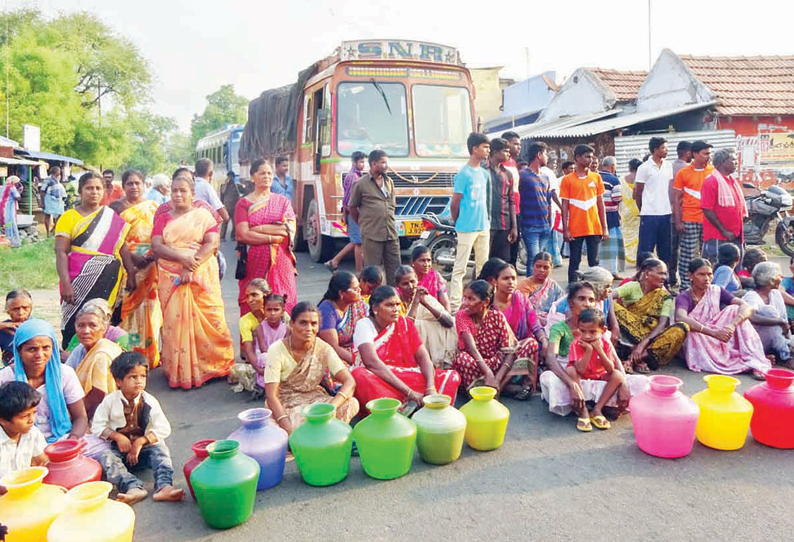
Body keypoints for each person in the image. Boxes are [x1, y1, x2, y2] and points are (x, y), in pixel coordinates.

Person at [151, 171, 235, 389]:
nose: (178, 195)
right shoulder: (163, 217)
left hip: (201, 274)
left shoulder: (204, 215)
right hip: (171, 276)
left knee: (212, 317)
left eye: (183, 191)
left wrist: (192, 264)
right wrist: (182, 258)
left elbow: (212, 243)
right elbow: (157, 246)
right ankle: (179, 370)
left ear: (192, 193)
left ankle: (215, 365)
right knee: (174, 322)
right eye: (174, 191)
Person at [55, 172, 132, 349]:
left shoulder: (111, 216)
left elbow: (123, 247)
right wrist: (66, 284)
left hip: (108, 280)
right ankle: (73, 361)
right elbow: (60, 252)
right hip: (77, 280)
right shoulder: (69, 217)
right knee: (75, 321)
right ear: (80, 191)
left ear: (104, 191)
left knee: (102, 320)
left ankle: (102, 360)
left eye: (98, 188)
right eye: (89, 188)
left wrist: (132, 273)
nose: (94, 192)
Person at [94, 352, 184, 505]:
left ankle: (164, 486)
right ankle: (132, 487)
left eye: (142, 376)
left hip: (144, 451)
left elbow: (164, 427)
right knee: (106, 457)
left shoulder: (149, 401)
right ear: (119, 381)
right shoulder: (109, 401)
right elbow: (97, 425)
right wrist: (117, 436)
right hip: (121, 451)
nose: (139, 381)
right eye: (132, 377)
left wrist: (141, 441)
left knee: (161, 448)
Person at [352, 286, 461, 409]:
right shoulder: (364, 325)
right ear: (375, 308)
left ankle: (416, 404)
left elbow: (423, 357)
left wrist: (431, 388)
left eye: (398, 304)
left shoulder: (405, 324)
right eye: (389, 305)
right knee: (359, 375)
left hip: (403, 375)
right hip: (378, 378)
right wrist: (409, 392)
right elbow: (372, 363)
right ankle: (397, 408)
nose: (396, 309)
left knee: (451, 377)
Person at [265, 302, 359, 432]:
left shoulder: (323, 348)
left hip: (315, 400)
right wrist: (286, 426)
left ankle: (320, 433)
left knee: (351, 404)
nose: (309, 328)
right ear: (292, 324)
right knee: (288, 426)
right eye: (303, 323)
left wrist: (331, 407)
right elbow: (271, 395)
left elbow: (349, 381)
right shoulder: (276, 350)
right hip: (286, 403)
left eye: (313, 324)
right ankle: (323, 433)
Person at [674, 258, 769, 378]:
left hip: (719, 334)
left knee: (734, 309)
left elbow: (746, 307)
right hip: (701, 335)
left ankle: (754, 361)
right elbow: (680, 317)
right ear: (690, 276)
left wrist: (732, 325)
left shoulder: (716, 290)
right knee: (691, 333)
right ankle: (738, 362)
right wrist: (713, 333)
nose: (706, 278)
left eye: (709, 274)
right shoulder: (684, 296)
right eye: (701, 274)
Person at [0, 320, 89, 445]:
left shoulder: (65, 374)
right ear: (19, 351)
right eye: (32, 349)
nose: (39, 355)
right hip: (20, 442)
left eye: (46, 348)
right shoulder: (5, 378)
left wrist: (72, 441)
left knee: (101, 447)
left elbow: (80, 417)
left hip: (62, 438)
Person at [110, 170, 163, 369]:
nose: (134, 187)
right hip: (127, 266)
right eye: (130, 183)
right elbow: (116, 239)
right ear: (123, 186)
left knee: (150, 311)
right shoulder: (116, 207)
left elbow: (160, 234)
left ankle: (150, 355)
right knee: (127, 309)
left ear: (144, 185)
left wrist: (151, 257)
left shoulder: (153, 207)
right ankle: (129, 354)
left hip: (151, 266)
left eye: (138, 183)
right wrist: (133, 261)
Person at [235, 158, 297, 316]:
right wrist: (271, 237)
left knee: (284, 302)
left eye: (269, 173)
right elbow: (243, 234)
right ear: (252, 177)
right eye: (262, 173)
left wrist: (257, 229)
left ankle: (283, 340)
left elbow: (287, 231)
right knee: (255, 302)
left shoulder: (282, 202)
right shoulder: (243, 204)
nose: (267, 176)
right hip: (253, 263)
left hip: (281, 261)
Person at [478, 260, 546, 397]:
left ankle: (502, 386)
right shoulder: (487, 302)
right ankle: (504, 386)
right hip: (495, 352)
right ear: (495, 281)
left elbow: (534, 323)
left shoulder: (520, 299)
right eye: (505, 278)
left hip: (518, 349)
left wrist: (544, 341)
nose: (511, 282)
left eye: (513, 278)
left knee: (531, 343)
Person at [453, 280, 530, 394]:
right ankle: (485, 389)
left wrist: (497, 378)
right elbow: (471, 347)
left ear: (486, 302)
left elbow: (509, 350)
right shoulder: (462, 315)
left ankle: (498, 387)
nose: (465, 303)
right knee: (462, 358)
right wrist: (488, 373)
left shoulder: (497, 316)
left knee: (530, 344)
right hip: (475, 364)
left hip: (496, 362)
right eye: (465, 298)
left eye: (471, 299)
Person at [614, 258, 688, 372]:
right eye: (661, 273)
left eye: (665, 274)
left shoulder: (665, 296)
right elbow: (608, 296)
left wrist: (644, 343)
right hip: (630, 332)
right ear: (647, 273)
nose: (664, 277)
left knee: (682, 327)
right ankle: (636, 356)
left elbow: (663, 324)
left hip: (651, 336)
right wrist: (614, 327)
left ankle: (635, 358)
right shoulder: (633, 287)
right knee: (612, 306)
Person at [566, 308, 627, 431]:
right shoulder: (576, 344)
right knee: (570, 370)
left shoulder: (605, 343)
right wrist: (588, 350)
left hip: (600, 375)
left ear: (603, 330)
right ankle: (583, 411)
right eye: (583, 331)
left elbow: (610, 369)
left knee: (618, 375)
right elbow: (580, 370)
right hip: (582, 376)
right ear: (578, 329)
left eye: (593, 332)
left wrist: (599, 350)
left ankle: (597, 409)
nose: (587, 336)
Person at [449, 133, 491, 311]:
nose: (488, 150)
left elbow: (487, 200)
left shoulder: (484, 173)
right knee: (460, 268)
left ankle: (481, 303)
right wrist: (459, 222)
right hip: (466, 227)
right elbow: (455, 203)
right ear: (474, 149)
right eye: (485, 147)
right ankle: (455, 305)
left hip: (483, 226)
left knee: (483, 267)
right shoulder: (463, 173)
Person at [64, 300, 125, 420]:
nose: (86, 331)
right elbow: (65, 375)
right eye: (81, 325)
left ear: (103, 328)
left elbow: (97, 395)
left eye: (93, 325)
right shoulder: (80, 349)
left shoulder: (103, 354)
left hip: (98, 414)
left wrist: (76, 419)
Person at [348, 150, 400, 287]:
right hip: (372, 233)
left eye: (386, 162)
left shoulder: (389, 182)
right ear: (373, 164)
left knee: (395, 270)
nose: (386, 165)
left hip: (391, 233)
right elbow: (352, 207)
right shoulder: (361, 183)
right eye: (383, 162)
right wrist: (363, 223)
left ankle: (394, 300)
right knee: (373, 273)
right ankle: (374, 302)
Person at [560, 144, 608, 284]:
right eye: (587, 157)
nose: (590, 160)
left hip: (594, 227)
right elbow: (564, 206)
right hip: (575, 228)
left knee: (594, 262)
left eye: (592, 157)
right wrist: (566, 229)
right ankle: (572, 290)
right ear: (577, 158)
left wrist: (604, 227)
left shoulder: (596, 178)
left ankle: (595, 289)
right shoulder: (567, 180)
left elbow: (601, 204)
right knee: (575, 261)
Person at [396, 265, 456, 369]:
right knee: (417, 325)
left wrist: (424, 303)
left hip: (427, 344)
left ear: (417, 280)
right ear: (398, 285)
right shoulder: (396, 302)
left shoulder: (426, 298)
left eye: (412, 281)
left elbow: (449, 323)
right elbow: (405, 329)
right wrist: (416, 302)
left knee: (450, 323)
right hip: (405, 345)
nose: (410, 286)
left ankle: (443, 363)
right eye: (405, 284)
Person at [672, 140, 714, 290]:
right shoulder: (683, 173)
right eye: (705, 154)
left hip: (709, 219)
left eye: (709, 153)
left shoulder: (712, 171)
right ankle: (685, 286)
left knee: (708, 253)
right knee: (687, 255)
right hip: (689, 219)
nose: (708, 157)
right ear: (695, 154)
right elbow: (676, 199)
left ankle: (707, 286)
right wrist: (678, 221)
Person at [634, 137, 674, 275]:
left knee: (665, 249)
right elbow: (638, 192)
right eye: (663, 148)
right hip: (649, 214)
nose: (666, 150)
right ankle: (641, 277)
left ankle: (665, 279)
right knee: (646, 249)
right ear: (655, 150)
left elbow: (669, 188)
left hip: (666, 212)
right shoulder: (644, 168)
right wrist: (643, 209)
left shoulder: (668, 166)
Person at [743, 262, 794, 367]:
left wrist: (786, 326)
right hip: (753, 341)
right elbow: (751, 317)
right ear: (771, 279)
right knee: (769, 311)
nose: (781, 278)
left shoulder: (776, 294)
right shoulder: (752, 296)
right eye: (779, 276)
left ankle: (781, 352)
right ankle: (785, 356)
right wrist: (780, 321)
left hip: (775, 339)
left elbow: (784, 325)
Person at [701, 149, 746, 265]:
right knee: (717, 267)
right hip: (718, 235)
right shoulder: (711, 181)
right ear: (722, 162)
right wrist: (724, 231)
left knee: (736, 268)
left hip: (735, 234)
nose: (736, 163)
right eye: (733, 160)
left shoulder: (731, 181)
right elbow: (707, 209)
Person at [0, 382, 47, 487]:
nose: (32, 420)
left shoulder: (32, 433)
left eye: (34, 412)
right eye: (24, 416)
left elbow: (43, 462)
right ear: (3, 420)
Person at [317, 271, 369, 366]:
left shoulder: (357, 305)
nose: (360, 291)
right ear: (341, 293)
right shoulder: (326, 310)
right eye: (355, 289)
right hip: (331, 355)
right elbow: (332, 347)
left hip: (353, 351)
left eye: (359, 288)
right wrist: (359, 362)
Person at [326, 152, 366, 273]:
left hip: (353, 212)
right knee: (358, 242)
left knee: (356, 241)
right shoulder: (353, 177)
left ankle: (334, 261)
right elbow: (348, 197)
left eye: (364, 162)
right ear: (354, 162)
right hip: (353, 212)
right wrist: (349, 212)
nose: (363, 164)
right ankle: (359, 271)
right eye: (361, 162)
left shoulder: (357, 175)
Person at [520, 141, 553, 274]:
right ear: (539, 155)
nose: (547, 157)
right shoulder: (522, 175)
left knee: (541, 260)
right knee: (534, 259)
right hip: (530, 225)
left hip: (544, 225)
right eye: (545, 154)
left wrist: (549, 221)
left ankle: (538, 289)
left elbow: (548, 200)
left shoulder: (545, 177)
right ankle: (529, 291)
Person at [486, 137, 517, 262]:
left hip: (504, 225)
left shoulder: (508, 174)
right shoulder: (482, 171)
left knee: (502, 261)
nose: (508, 154)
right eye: (505, 151)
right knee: (483, 261)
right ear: (494, 152)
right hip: (486, 224)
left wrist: (514, 227)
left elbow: (511, 201)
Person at [516, 252, 565, 325]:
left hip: (551, 321)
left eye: (546, 267)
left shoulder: (553, 285)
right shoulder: (524, 285)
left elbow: (563, 305)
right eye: (538, 266)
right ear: (533, 266)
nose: (541, 270)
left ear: (551, 268)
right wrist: (543, 321)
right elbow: (521, 310)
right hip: (530, 323)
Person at [598, 157, 625, 279]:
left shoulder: (595, 177)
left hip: (596, 215)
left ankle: (600, 270)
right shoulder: (614, 180)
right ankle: (612, 271)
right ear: (613, 166)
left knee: (599, 245)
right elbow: (617, 198)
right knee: (612, 245)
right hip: (611, 215)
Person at [501, 131, 522, 266]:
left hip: (517, 211)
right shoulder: (499, 164)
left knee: (514, 249)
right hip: (505, 213)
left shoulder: (513, 163)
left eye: (520, 144)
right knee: (505, 253)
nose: (519, 147)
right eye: (515, 144)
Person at [410, 245, 450, 311]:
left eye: (428, 260)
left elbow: (445, 303)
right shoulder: (408, 278)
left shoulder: (435, 276)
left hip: (434, 314)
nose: (426, 264)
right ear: (412, 262)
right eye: (422, 261)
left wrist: (448, 317)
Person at [0, 290, 33, 366]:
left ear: (31, 308)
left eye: (25, 308)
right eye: (15, 309)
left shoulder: (38, 327)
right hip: (10, 372)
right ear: (7, 310)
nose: (21, 313)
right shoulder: (4, 329)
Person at [193, 158, 230, 224]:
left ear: (195, 173)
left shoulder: (190, 185)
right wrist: (227, 218)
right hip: (204, 223)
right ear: (210, 174)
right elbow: (219, 207)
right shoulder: (207, 187)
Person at [620, 158, 642, 266]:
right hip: (639, 209)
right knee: (638, 234)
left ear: (629, 167)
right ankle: (636, 257)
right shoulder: (641, 179)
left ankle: (627, 255)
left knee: (626, 233)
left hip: (626, 211)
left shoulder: (622, 179)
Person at [41, 167, 64, 236]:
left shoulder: (57, 179)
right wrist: (42, 202)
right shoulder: (48, 179)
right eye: (59, 171)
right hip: (49, 198)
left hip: (57, 199)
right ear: (56, 172)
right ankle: (48, 232)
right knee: (48, 215)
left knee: (60, 213)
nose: (60, 172)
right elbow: (42, 191)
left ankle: (53, 229)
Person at [219, 171, 241, 242]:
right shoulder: (224, 186)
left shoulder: (237, 186)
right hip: (226, 207)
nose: (230, 178)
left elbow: (243, 192)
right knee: (225, 222)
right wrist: (226, 183)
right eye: (229, 176)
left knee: (235, 223)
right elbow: (222, 193)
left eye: (232, 177)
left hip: (235, 207)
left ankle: (233, 235)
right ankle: (222, 236)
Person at [1, 175, 21, 248]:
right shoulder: (12, 187)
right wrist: (19, 191)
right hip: (8, 208)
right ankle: (12, 242)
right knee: (10, 223)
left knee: (3, 223)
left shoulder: (3, 187)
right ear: (14, 182)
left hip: (2, 207)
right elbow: (17, 197)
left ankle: (3, 240)